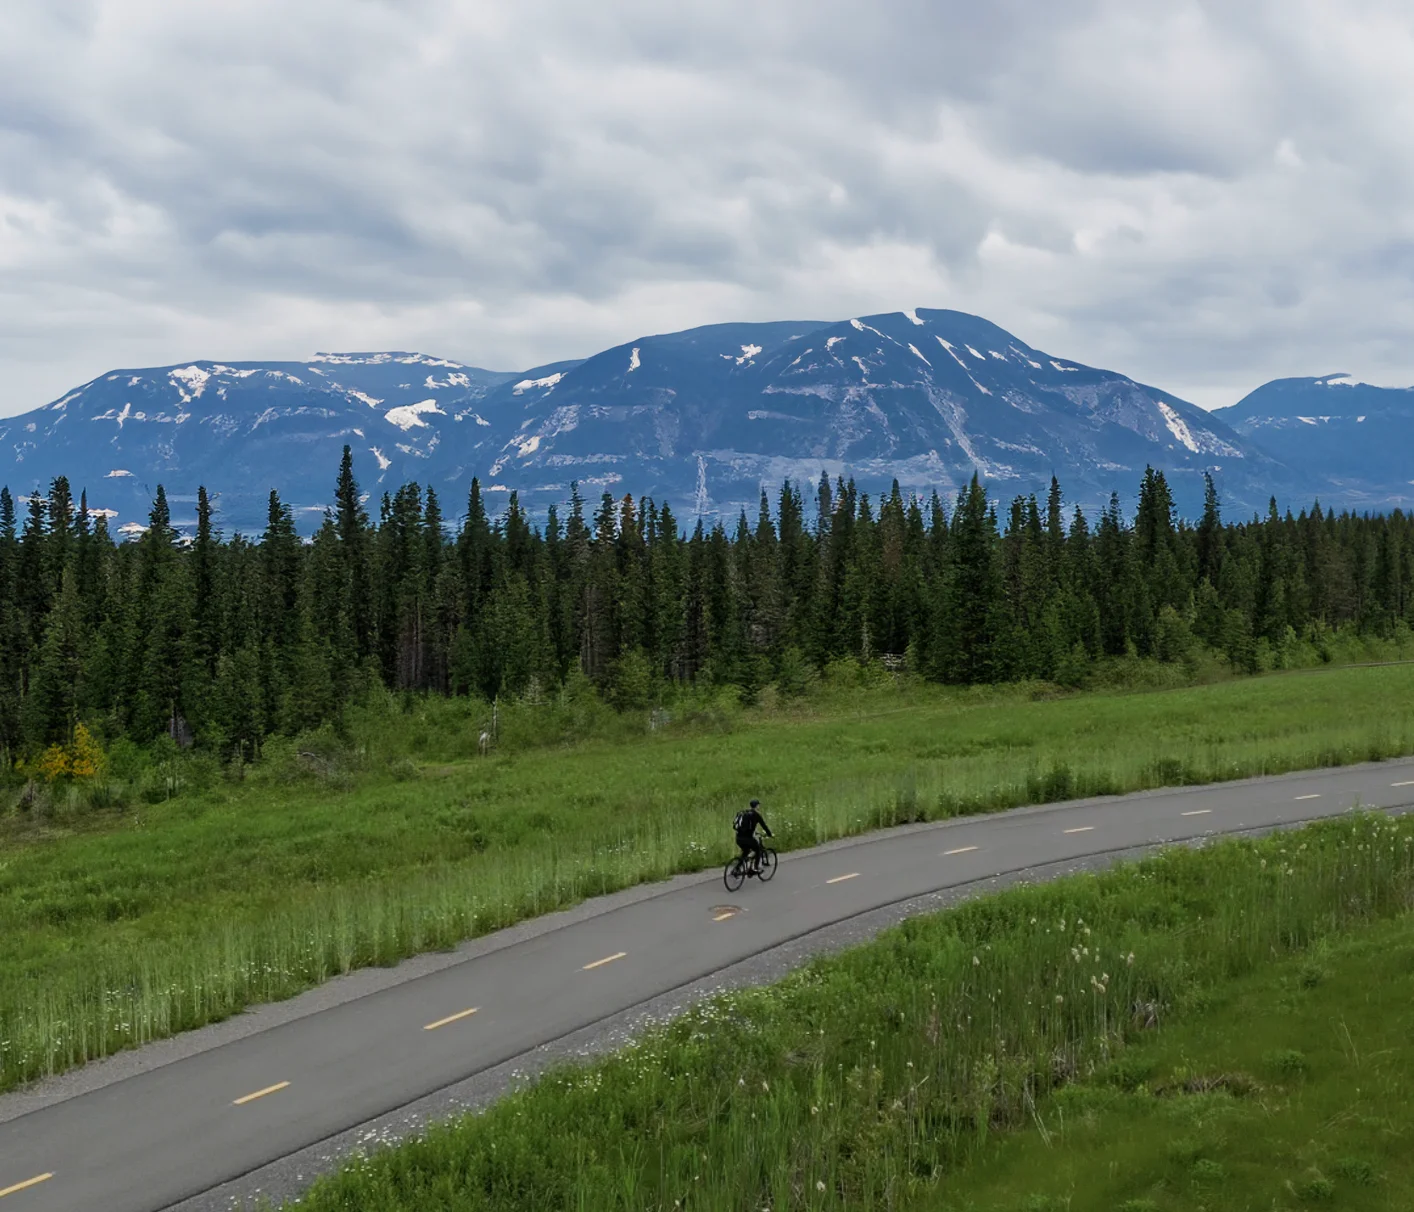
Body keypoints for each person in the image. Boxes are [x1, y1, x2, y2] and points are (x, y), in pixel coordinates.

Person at [733, 799, 773, 874]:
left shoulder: (744, 812)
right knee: (758, 850)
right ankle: (755, 868)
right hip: (748, 839)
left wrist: (755, 832)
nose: (759, 806)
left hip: (738, 838)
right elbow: (764, 826)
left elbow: (745, 827)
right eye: (758, 805)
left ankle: (736, 869)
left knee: (746, 852)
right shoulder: (756, 815)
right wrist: (769, 834)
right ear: (757, 806)